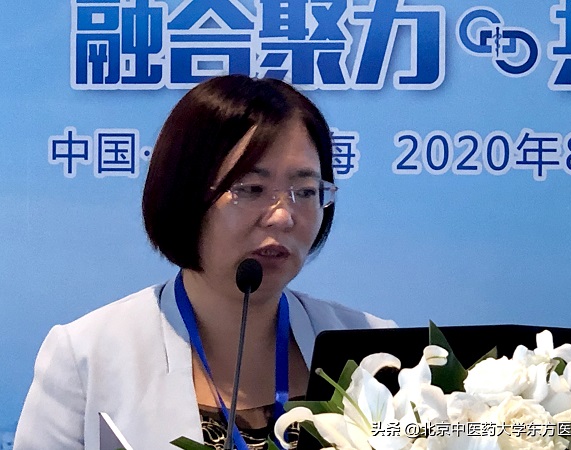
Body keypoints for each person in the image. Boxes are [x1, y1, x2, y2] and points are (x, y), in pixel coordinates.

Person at [14, 75, 396, 450]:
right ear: (185, 194)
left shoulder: (379, 353)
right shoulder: (85, 357)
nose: (283, 216)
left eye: (306, 191)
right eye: (251, 189)